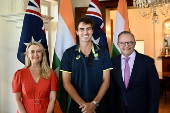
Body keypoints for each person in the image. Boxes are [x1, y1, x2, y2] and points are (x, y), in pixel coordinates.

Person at [60, 16, 112, 113]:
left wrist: (94, 104)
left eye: (88, 29)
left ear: (92, 31)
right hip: (77, 106)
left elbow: (106, 81)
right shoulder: (68, 53)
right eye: (82, 29)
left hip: (99, 105)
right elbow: (66, 83)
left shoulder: (103, 52)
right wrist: (84, 106)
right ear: (77, 32)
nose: (85, 32)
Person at [109, 31, 160, 113]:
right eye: (123, 43)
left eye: (130, 42)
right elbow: (111, 90)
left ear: (135, 43)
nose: (126, 46)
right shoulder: (112, 62)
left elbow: (154, 91)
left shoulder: (147, 62)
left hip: (141, 109)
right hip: (118, 109)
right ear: (118, 44)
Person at [12, 41, 58, 113]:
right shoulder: (19, 74)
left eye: (38, 51)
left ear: (42, 54)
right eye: (32, 52)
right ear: (27, 54)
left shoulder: (51, 73)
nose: (36, 54)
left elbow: (53, 98)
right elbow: (17, 99)